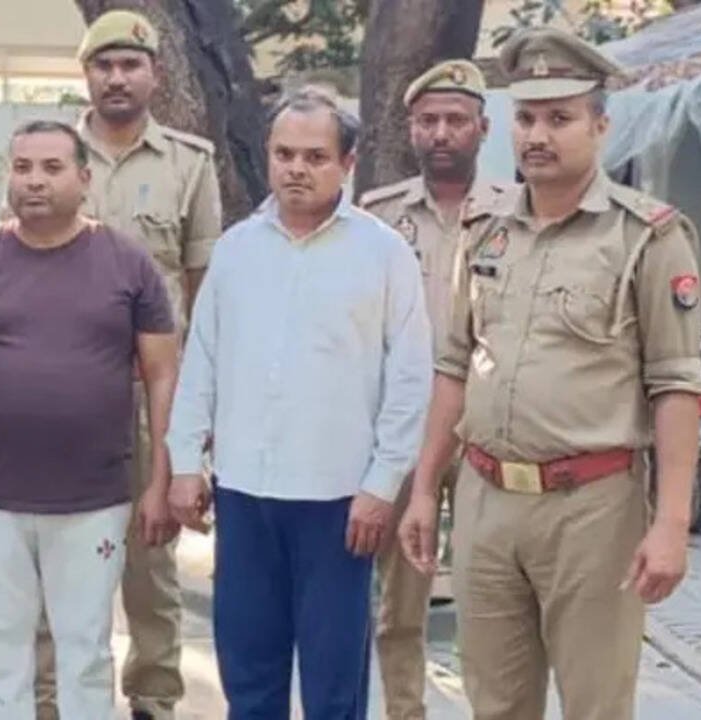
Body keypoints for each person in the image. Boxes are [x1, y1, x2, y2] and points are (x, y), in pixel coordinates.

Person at [398, 27, 701, 720]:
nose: (538, 136)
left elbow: (676, 386)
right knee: (495, 703)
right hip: (485, 500)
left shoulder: (646, 237)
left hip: (591, 509)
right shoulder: (485, 230)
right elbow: (455, 365)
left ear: (600, 126)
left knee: (595, 705)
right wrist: (424, 489)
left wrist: (672, 524)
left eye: (560, 118)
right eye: (527, 118)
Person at [166, 87, 433, 719]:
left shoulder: (384, 254)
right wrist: (184, 462)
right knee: (249, 676)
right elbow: (201, 361)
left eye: (315, 157)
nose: (296, 169)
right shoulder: (236, 250)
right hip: (245, 495)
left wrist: (382, 485)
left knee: (333, 683)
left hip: (339, 503)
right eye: (284, 154)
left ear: (348, 162)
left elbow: (410, 379)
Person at [0, 120, 181, 719]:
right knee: (0, 656)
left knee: (85, 655)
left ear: (85, 179)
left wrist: (161, 484)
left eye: (51, 168)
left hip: (95, 499)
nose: (34, 181)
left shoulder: (128, 263)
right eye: (22, 168)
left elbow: (163, 376)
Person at [6, 12, 223, 720]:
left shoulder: (189, 164)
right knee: (51, 551)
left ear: (155, 75)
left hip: (149, 394)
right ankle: (51, 698)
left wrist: (199, 412)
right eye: (104, 65)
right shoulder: (50, 156)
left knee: (149, 557)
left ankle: (153, 696)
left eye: (131, 64)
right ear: (86, 75)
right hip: (62, 396)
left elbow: (203, 292)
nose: (117, 77)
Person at [358, 58, 505, 720]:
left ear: (482, 128)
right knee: (400, 604)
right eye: (427, 121)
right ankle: (405, 712)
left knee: (489, 598)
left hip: (487, 433)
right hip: (404, 432)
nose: (441, 133)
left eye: (455, 120)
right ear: (411, 129)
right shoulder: (377, 217)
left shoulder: (518, 214)